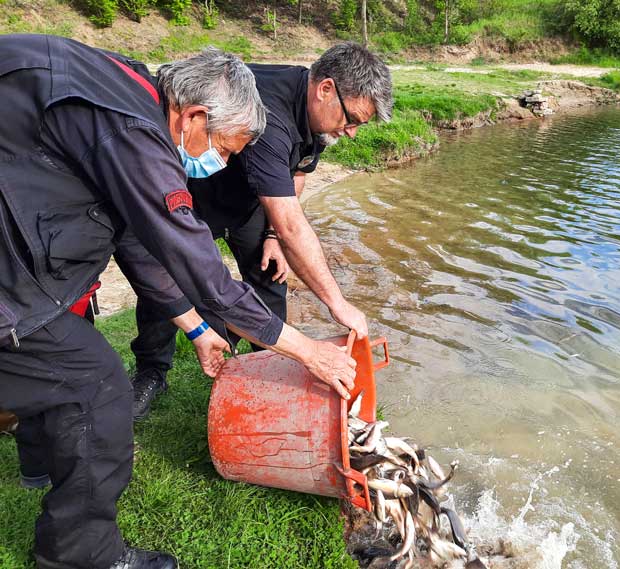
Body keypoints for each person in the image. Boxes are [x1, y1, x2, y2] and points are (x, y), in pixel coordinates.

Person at [0, 34, 357, 569]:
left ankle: (39, 464)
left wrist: (197, 329)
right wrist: (309, 351)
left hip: (19, 236)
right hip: (13, 278)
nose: (222, 163)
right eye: (227, 149)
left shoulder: (129, 87)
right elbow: (204, 273)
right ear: (193, 117)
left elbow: (135, 245)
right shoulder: (137, 137)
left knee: (58, 368)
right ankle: (81, 556)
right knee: (97, 390)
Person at [128, 42, 393, 420]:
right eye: (352, 120)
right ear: (326, 89)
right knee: (168, 273)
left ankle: (269, 366)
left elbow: (297, 172)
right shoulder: (273, 115)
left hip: (250, 204)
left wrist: (272, 237)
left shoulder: (319, 114)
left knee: (271, 277)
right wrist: (338, 303)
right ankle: (152, 371)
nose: (351, 132)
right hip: (194, 197)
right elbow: (291, 224)